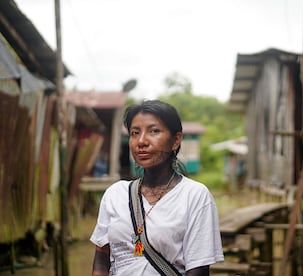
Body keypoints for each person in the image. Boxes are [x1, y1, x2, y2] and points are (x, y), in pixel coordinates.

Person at [90, 100, 224, 275]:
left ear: (176, 140)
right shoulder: (115, 194)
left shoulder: (194, 196)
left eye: (154, 131)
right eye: (135, 133)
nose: (142, 141)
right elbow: (101, 257)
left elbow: (198, 270)